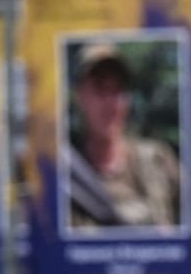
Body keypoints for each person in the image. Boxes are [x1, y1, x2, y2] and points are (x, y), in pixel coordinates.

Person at [65, 42, 182, 231]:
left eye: (118, 90)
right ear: (80, 96)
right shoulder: (64, 175)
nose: (111, 103)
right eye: (100, 89)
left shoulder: (158, 160)